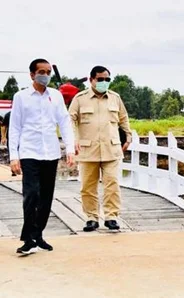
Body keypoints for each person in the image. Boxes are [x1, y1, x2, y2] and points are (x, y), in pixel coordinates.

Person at [9, 58, 75, 254]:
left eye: (48, 72)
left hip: (51, 152)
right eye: (41, 72)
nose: (45, 75)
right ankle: (28, 239)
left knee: (46, 197)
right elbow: (15, 127)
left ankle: (38, 235)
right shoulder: (21, 97)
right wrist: (14, 156)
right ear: (32, 75)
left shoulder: (55, 96)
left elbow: (64, 122)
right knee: (32, 195)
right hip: (29, 151)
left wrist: (69, 149)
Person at [69, 65, 132, 232]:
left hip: (111, 149)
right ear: (91, 80)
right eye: (100, 79)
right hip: (88, 150)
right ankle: (91, 217)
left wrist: (128, 135)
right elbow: (71, 120)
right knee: (88, 186)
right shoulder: (80, 99)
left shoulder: (115, 98)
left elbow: (123, 118)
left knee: (112, 183)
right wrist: (73, 140)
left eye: (107, 79)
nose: (104, 82)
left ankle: (111, 216)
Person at [1, 111, 16, 176]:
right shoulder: (8, 115)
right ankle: (13, 170)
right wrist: (3, 137)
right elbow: (4, 126)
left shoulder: (24, 113)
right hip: (11, 137)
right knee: (12, 152)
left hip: (23, 138)